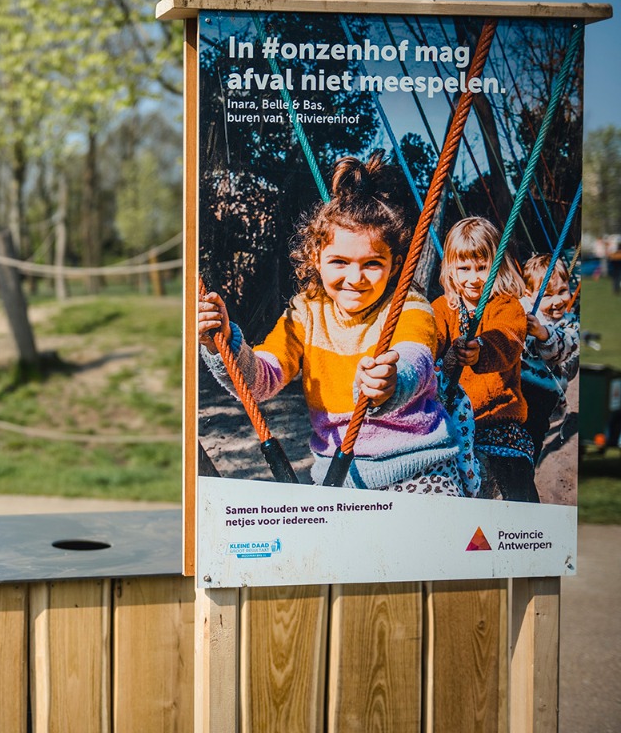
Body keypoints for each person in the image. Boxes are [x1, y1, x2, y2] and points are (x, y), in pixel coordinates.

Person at [198, 153, 473, 495]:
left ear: (395, 264)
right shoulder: (305, 313)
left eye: (372, 263)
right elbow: (260, 382)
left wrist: (391, 382)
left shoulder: (408, 306)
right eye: (339, 261)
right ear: (316, 258)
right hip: (337, 477)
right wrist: (221, 343)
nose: (355, 278)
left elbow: (413, 358)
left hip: (419, 468)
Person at [431, 217, 536, 502]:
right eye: (464, 268)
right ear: (451, 269)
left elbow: (508, 339)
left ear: (496, 267)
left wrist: (482, 349)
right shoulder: (442, 308)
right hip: (452, 419)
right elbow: (428, 337)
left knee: (516, 486)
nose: (473, 277)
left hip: (498, 418)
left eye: (482, 267)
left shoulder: (506, 306)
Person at [519, 253, 579, 463]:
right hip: (516, 385)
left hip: (544, 394)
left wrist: (543, 333)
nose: (557, 301)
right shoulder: (523, 309)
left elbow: (561, 350)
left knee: (532, 436)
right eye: (547, 295)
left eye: (563, 291)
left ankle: (528, 464)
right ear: (528, 295)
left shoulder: (570, 323)